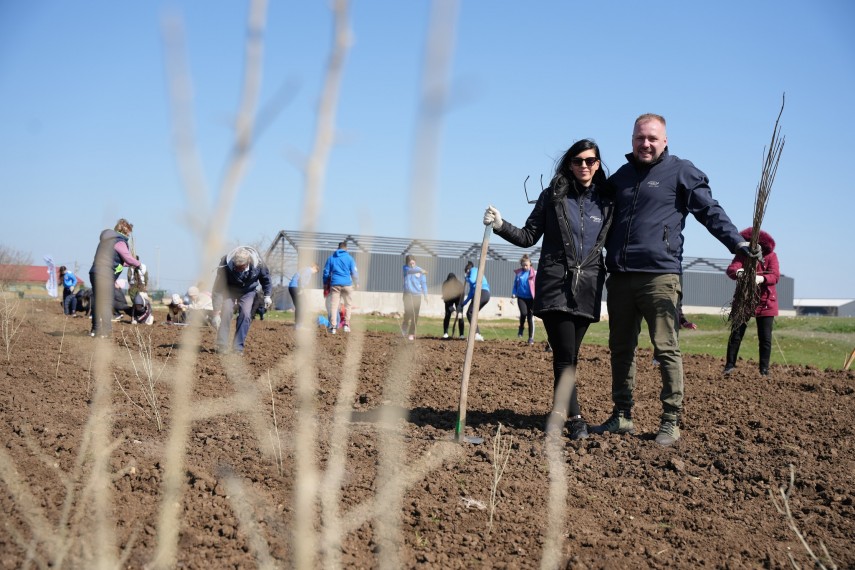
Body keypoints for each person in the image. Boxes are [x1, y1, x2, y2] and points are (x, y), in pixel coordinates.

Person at [594, 113, 759, 447]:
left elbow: (709, 211)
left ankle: (671, 420)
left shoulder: (681, 171)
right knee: (620, 348)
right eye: (641, 138)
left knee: (666, 347)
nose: (646, 144)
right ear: (632, 140)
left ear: (665, 140)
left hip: (660, 275)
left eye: (653, 138)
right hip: (621, 276)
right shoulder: (621, 178)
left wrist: (738, 243)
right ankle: (622, 415)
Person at [484, 138, 613, 440]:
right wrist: (501, 224)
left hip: (589, 285)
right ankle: (576, 418)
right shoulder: (553, 196)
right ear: (569, 163)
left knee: (568, 355)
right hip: (555, 282)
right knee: (566, 354)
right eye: (578, 160)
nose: (584, 166)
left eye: (590, 161)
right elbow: (529, 236)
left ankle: (558, 410)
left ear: (597, 164)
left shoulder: (607, 201)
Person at [724, 228, 780, 377]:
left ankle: (764, 370)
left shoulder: (771, 256)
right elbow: (731, 269)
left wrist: (761, 279)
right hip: (744, 299)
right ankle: (729, 366)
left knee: (765, 338)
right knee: (736, 334)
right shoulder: (743, 254)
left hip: (766, 301)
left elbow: (775, 275)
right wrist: (738, 272)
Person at [211, 246, 272, 355]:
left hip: (248, 290)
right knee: (226, 311)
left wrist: (267, 295)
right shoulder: (225, 263)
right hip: (229, 289)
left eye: (241, 267)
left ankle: (238, 347)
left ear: (248, 262)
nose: (237, 269)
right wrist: (216, 312)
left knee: (245, 314)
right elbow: (218, 288)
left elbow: (266, 279)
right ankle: (222, 345)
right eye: (236, 266)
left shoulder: (259, 264)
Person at [88, 218, 142, 337]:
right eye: (129, 232)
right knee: (107, 302)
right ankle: (106, 332)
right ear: (125, 230)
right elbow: (127, 258)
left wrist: (130, 262)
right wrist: (138, 264)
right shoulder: (119, 241)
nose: (129, 234)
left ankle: (94, 330)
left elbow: (120, 260)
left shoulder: (106, 240)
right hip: (106, 274)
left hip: (95, 272)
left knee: (98, 301)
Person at [322, 241, 359, 334]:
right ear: (346, 249)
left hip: (335, 284)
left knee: (334, 306)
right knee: (348, 305)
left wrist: (325, 283)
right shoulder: (350, 258)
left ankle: (333, 327)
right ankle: (346, 325)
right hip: (347, 284)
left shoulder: (331, 258)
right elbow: (354, 272)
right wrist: (357, 282)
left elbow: (326, 272)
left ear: (338, 248)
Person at [400, 254, 429, 341]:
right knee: (408, 313)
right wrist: (420, 271)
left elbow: (423, 283)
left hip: (417, 295)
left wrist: (425, 295)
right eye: (410, 262)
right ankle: (404, 326)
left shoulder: (420, 271)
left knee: (415, 315)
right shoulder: (406, 268)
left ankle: (411, 333)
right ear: (407, 263)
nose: (412, 264)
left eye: (413, 262)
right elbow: (410, 271)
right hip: (407, 295)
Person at [461, 260, 490, 341]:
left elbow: (472, 280)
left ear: (468, 270)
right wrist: (464, 303)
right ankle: (477, 334)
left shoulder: (474, 270)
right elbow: (471, 293)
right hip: (483, 294)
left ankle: (477, 334)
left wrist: (466, 277)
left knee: (470, 313)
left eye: (467, 272)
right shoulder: (472, 277)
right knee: (472, 313)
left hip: (482, 292)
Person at [512, 254, 537, 344]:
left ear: (530, 264)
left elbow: (538, 285)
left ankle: (531, 338)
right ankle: (521, 328)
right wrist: (513, 294)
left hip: (531, 299)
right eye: (523, 265)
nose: (525, 267)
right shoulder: (519, 274)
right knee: (523, 313)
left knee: (530, 318)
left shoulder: (534, 273)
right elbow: (515, 285)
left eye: (526, 265)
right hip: (521, 297)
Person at [288, 263, 319, 327]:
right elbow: (302, 279)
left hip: (292, 287)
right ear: (314, 267)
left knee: (299, 305)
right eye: (315, 271)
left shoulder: (304, 269)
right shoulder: (308, 271)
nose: (314, 273)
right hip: (296, 287)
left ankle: (298, 323)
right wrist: (301, 289)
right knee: (302, 305)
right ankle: (299, 324)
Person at [441, 272, 465, 339]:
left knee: (460, 316)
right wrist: (452, 310)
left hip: (458, 299)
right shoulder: (445, 284)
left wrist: (459, 308)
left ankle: (461, 334)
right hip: (449, 299)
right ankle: (445, 333)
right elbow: (445, 298)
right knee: (447, 315)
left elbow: (462, 296)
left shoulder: (459, 285)